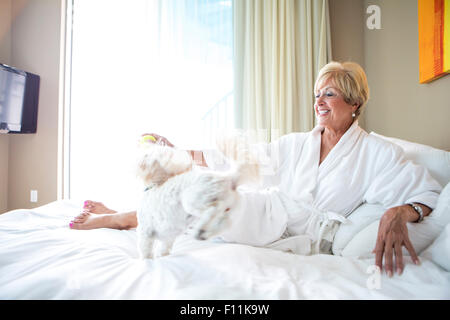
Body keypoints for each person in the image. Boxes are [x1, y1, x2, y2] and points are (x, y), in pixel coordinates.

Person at [70, 61, 442, 277]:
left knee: (206, 198)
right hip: (268, 212)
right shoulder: (299, 143)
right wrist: (179, 150)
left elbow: (427, 191)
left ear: (355, 101)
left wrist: (401, 211)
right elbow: (246, 158)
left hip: (305, 232)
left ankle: (121, 218)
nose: (319, 101)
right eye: (317, 94)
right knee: (207, 191)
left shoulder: (377, 151)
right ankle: (123, 217)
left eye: (329, 93)